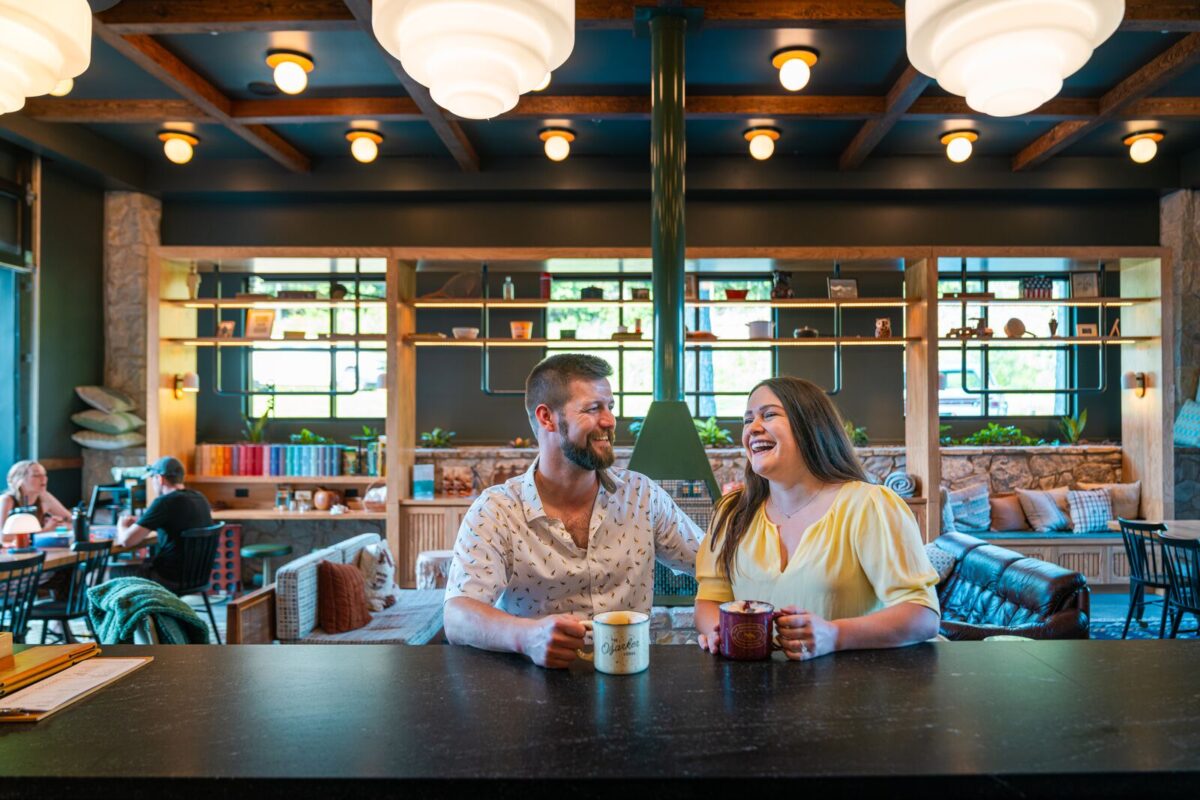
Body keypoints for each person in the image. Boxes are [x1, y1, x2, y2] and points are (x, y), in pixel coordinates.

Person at [443, 353, 703, 669]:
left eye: (610, 407)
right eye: (593, 409)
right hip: (532, 688)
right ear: (546, 418)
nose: (609, 421)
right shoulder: (497, 510)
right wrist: (526, 637)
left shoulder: (642, 496)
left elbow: (712, 562)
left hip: (628, 679)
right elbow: (458, 616)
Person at [695, 377, 940, 661]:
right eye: (747, 420)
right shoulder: (732, 512)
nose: (753, 428)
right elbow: (710, 598)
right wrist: (718, 631)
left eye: (769, 414)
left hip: (848, 692)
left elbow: (923, 616)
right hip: (752, 696)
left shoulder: (869, 505)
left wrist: (834, 634)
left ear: (810, 426)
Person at [114, 456, 213, 586]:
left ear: (159, 479)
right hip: (197, 578)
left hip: (167, 579)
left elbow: (126, 541)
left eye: (152, 479)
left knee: (102, 573)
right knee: (137, 564)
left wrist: (121, 525)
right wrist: (143, 522)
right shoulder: (200, 498)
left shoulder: (164, 502)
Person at [0, 460, 72, 532]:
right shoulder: (6, 500)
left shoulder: (44, 497)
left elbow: (72, 520)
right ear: (19, 480)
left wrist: (58, 524)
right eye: (36, 475)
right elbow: (3, 537)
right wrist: (46, 529)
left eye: (44, 474)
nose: (43, 479)